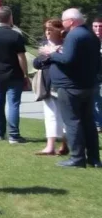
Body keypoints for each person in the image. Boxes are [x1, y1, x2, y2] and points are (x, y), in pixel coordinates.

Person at [36, 8, 102, 168]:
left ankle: (77, 158)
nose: (62, 23)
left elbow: (67, 59)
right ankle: (94, 158)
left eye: (63, 20)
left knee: (73, 121)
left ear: (71, 21)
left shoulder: (74, 35)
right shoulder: (90, 35)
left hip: (70, 86)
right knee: (88, 122)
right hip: (87, 85)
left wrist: (51, 53)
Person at [0, 6, 28, 143]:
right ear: (10, 18)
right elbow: (21, 58)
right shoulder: (16, 36)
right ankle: (13, 134)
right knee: (13, 104)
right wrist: (26, 74)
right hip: (14, 74)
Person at [34, 19, 69, 157]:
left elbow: (66, 61)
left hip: (62, 84)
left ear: (59, 31)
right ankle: (50, 146)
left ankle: (65, 144)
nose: (47, 32)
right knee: (50, 114)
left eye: (51, 29)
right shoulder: (45, 45)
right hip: (47, 83)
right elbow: (36, 63)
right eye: (46, 29)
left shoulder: (66, 45)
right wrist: (45, 56)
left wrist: (53, 53)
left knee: (65, 115)